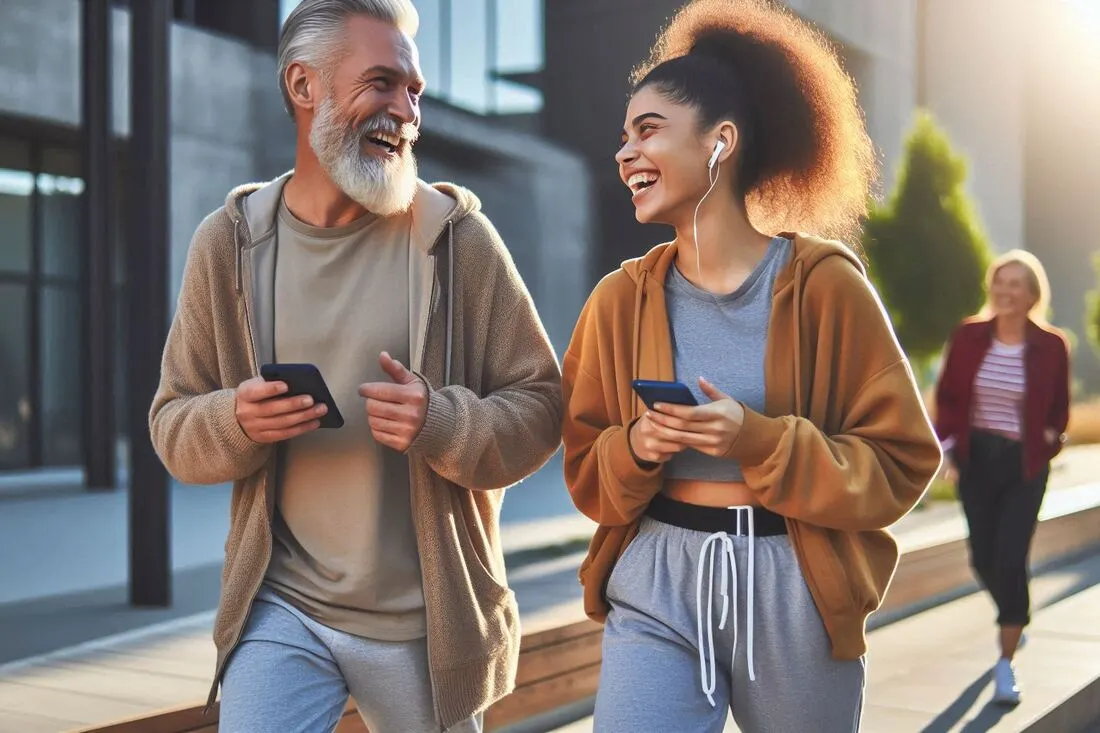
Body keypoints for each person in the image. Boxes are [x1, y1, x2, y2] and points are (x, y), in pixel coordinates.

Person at [148, 1, 562, 731]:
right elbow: (173, 424)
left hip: (423, 627)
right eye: (382, 83)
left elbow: (540, 406)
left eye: (415, 91)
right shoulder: (231, 243)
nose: (406, 111)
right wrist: (234, 419)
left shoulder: (456, 240)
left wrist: (443, 420)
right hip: (284, 609)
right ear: (304, 87)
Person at [561, 1, 942, 730]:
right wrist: (636, 446)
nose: (625, 153)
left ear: (720, 142)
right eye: (622, 136)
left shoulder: (826, 285)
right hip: (658, 580)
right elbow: (585, 466)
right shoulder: (618, 301)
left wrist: (757, 440)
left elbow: (901, 461)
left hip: (794, 584)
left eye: (648, 130)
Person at [935, 249, 1069, 706]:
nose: (1005, 291)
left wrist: (1049, 440)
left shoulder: (1052, 345)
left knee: (1011, 559)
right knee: (982, 559)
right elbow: (950, 397)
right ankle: (1015, 613)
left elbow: (1059, 409)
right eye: (1000, 281)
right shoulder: (969, 336)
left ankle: (1005, 661)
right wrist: (949, 447)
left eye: (1016, 284)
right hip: (977, 459)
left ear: (1033, 294)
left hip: (1023, 465)